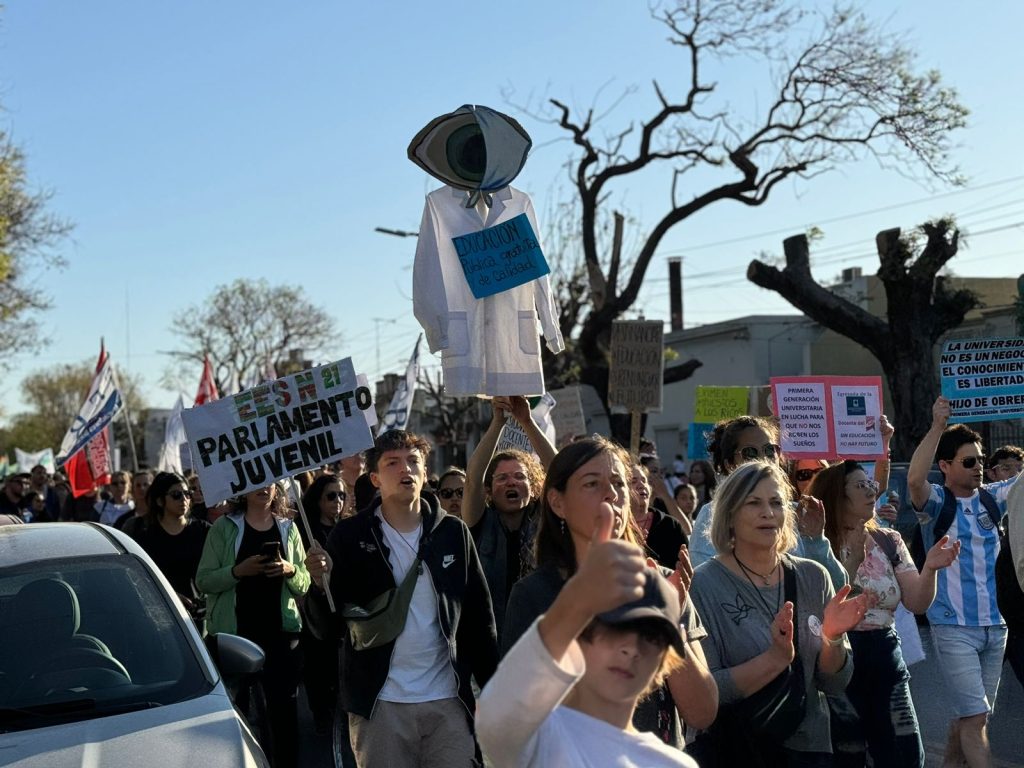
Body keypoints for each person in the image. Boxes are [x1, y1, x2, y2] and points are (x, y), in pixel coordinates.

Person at [502, 437, 718, 747]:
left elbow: (702, 713)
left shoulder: (665, 584)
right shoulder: (534, 594)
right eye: (592, 484)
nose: (611, 494)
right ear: (558, 503)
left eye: (618, 483)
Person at [303, 430, 498, 768]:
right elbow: (327, 627)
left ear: (425, 473)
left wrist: (496, 689)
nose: (405, 469)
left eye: (413, 461)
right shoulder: (349, 537)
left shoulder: (452, 533)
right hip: (381, 705)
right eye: (393, 463)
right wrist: (320, 586)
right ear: (375, 478)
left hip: (447, 702)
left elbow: (479, 621)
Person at [477, 514, 697, 767]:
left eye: (650, 638)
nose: (631, 649)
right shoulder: (545, 739)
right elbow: (496, 721)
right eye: (617, 629)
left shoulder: (675, 764)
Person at [689, 460, 867, 767]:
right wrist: (774, 658)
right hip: (738, 749)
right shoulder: (704, 583)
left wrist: (832, 638)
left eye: (776, 503)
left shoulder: (814, 576)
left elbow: (834, 683)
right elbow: (707, 692)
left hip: (810, 750)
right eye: (754, 503)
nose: (768, 513)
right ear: (730, 514)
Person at [811, 460, 960, 767]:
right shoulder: (816, 545)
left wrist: (930, 568)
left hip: (885, 656)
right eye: (861, 485)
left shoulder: (887, 539)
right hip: (838, 660)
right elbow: (825, 607)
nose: (872, 491)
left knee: (905, 753)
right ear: (837, 495)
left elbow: (917, 602)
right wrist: (851, 565)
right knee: (847, 753)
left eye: (871, 485)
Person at [907, 396, 1018, 768]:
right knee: (974, 721)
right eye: (969, 462)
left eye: (981, 461)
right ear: (946, 466)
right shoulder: (937, 502)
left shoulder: (992, 499)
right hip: (953, 626)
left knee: (971, 717)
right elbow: (913, 479)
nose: (978, 468)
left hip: (995, 627)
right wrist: (937, 425)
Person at [196, 481, 310, 768]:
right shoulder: (224, 528)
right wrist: (237, 571)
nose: (265, 487)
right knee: (238, 714)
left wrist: (290, 569)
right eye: (257, 482)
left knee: (284, 712)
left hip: (282, 634)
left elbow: (304, 584)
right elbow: (204, 580)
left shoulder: (288, 527)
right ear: (242, 489)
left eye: (271, 482)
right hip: (236, 636)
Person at [688, 416, 845, 589]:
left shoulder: (797, 512)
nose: (763, 458)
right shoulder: (712, 513)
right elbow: (706, 586)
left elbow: (837, 587)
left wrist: (815, 541)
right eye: (750, 452)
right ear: (730, 464)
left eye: (770, 450)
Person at [463, 395, 555, 642]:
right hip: (488, 645)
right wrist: (498, 423)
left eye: (519, 476)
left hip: (540, 644)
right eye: (502, 478)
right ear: (489, 490)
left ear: (534, 485)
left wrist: (526, 422)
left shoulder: (546, 520)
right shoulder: (480, 522)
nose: (511, 482)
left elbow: (561, 473)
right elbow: (472, 481)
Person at [296, 474, 346, 736]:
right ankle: (322, 717)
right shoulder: (304, 530)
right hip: (315, 612)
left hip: (343, 610)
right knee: (319, 667)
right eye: (331, 495)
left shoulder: (347, 529)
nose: (337, 501)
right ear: (317, 499)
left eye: (341, 495)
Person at [138, 472, 210, 621]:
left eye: (187, 494)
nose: (184, 499)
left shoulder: (204, 531)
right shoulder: (146, 537)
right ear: (159, 501)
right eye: (176, 495)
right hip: (161, 615)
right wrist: (170, 596)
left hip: (199, 616)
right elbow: (140, 579)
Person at [628, 459, 688, 569]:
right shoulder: (616, 525)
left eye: (644, 480)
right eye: (633, 481)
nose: (641, 485)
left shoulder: (670, 525)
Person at [114, 470, 153, 535]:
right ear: (132, 489)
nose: (142, 488)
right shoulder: (123, 520)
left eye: (145, 484)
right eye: (138, 485)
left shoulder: (162, 518)